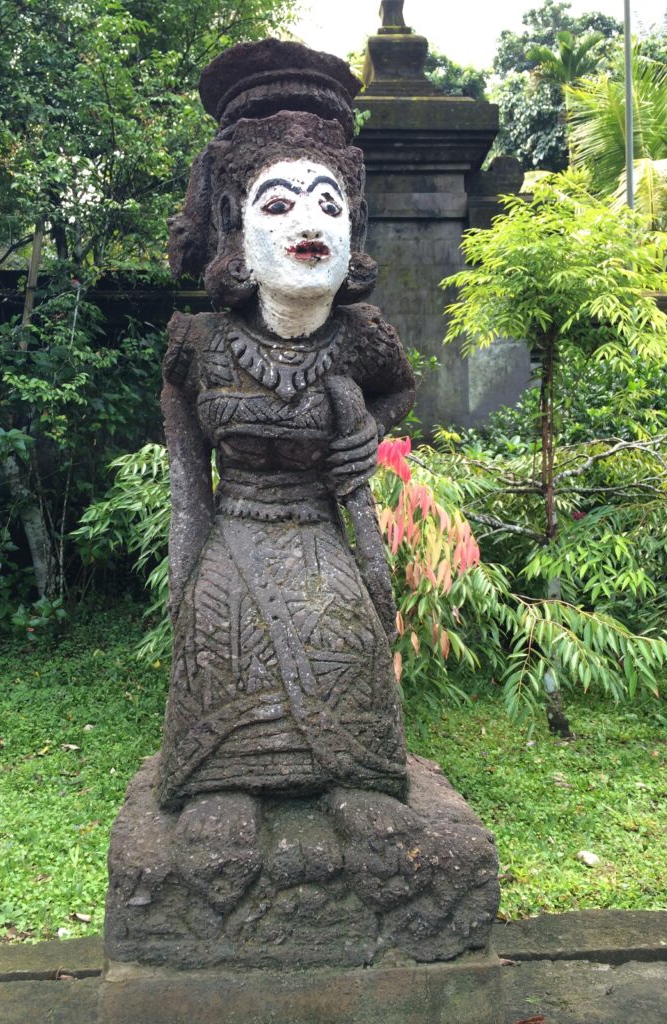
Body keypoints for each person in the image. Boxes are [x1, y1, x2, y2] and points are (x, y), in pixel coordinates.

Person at [157, 50, 416, 811]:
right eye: (278, 206)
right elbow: (186, 487)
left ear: (353, 234)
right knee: (219, 634)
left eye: (330, 206)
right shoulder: (197, 346)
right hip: (231, 538)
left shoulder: (362, 338)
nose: (310, 224)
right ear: (235, 232)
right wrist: (185, 586)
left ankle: (355, 776)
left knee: (345, 632)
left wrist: (365, 428)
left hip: (321, 537)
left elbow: (400, 393)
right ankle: (220, 782)